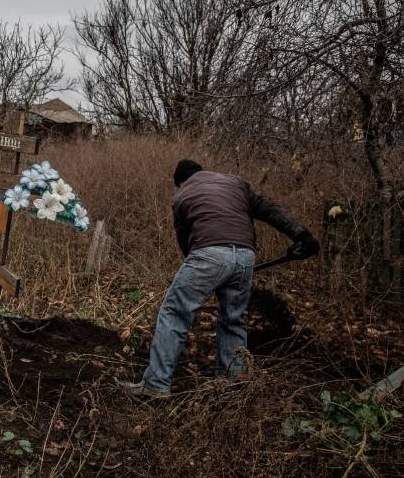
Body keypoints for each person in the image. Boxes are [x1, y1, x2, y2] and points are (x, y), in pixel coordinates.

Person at [121, 159, 320, 396]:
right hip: (245, 256)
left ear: (180, 181)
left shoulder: (183, 193)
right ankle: (231, 388)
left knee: (174, 313)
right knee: (234, 320)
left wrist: (206, 274)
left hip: (208, 254)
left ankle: (155, 384)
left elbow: (186, 243)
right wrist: (302, 235)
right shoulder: (236, 184)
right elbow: (270, 209)